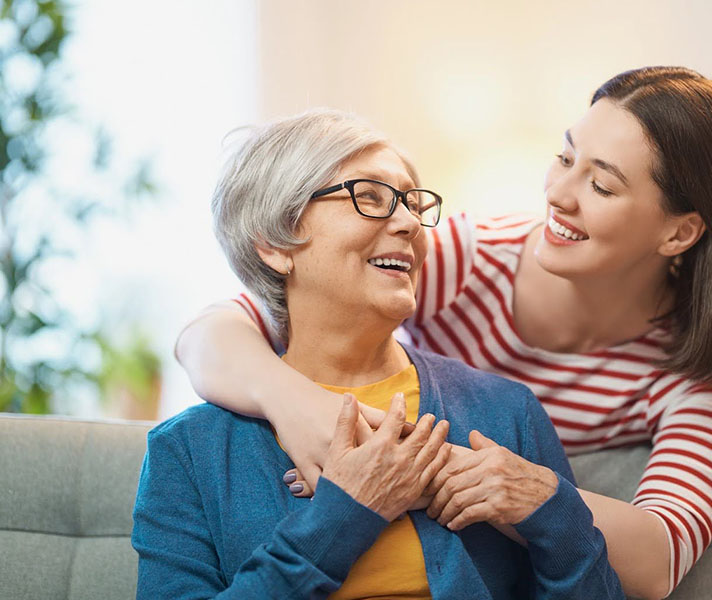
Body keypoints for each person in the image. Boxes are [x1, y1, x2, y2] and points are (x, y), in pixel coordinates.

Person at [175, 66, 712, 600]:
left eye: (602, 186)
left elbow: (659, 558)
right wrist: (303, 411)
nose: (557, 196)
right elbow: (230, 325)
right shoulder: (472, 257)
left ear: (679, 234)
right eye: (565, 159)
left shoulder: (710, 374)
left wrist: (506, 489)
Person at [132, 109, 624, 599]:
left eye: (413, 203)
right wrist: (345, 514)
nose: (410, 222)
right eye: (369, 197)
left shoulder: (506, 411)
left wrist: (553, 511)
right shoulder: (189, 451)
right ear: (274, 243)